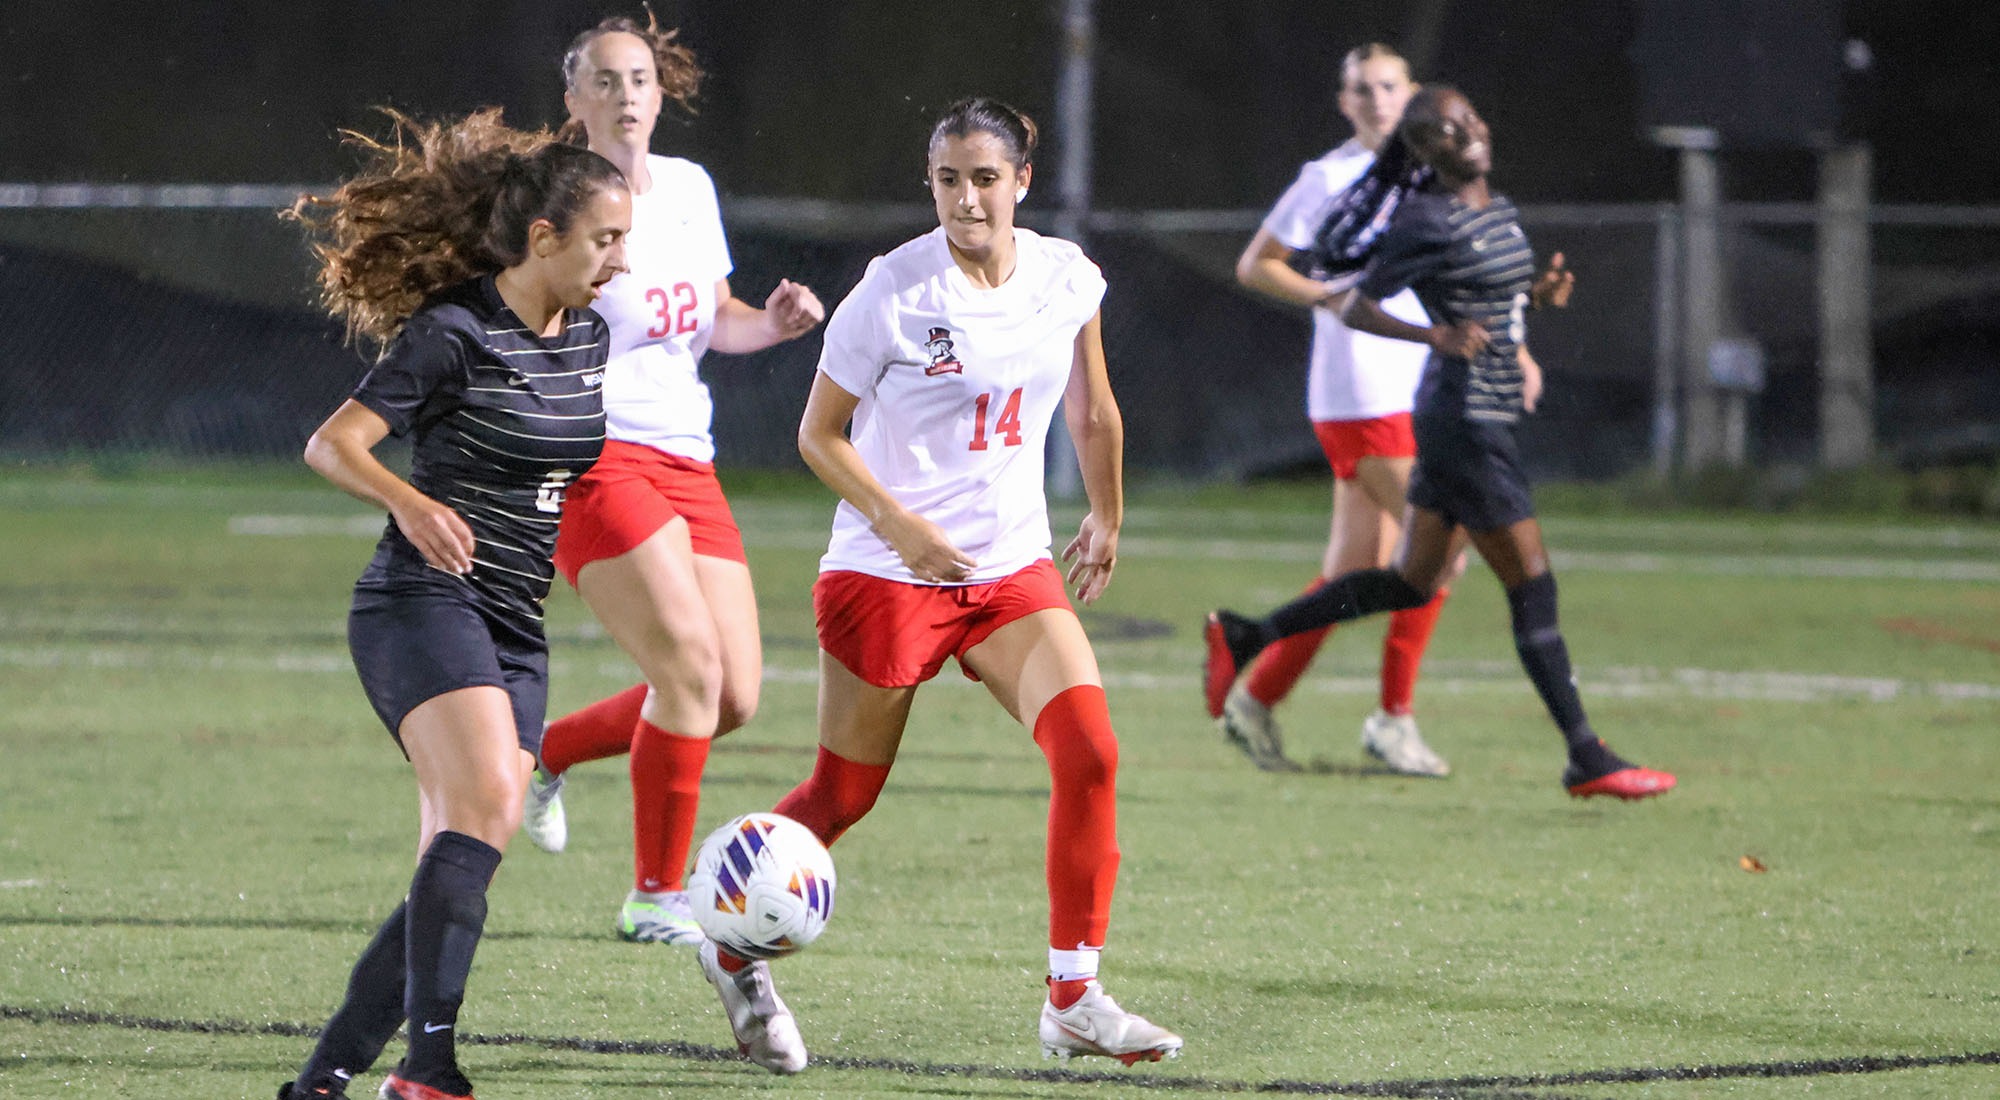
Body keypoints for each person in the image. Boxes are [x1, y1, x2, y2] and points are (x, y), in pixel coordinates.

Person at [693, 96, 1183, 1074]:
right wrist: (901, 526)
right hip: (885, 572)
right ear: (930, 186)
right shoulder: (892, 292)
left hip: (1007, 569)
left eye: (985, 178)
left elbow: (1092, 410)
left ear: (1021, 182)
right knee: (845, 791)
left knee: (1088, 749)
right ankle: (729, 942)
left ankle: (1073, 996)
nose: (966, 197)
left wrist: (1107, 512)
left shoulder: (1063, 277)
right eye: (948, 179)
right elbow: (816, 436)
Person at [276, 109, 630, 1100]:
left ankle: (323, 1075)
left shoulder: (592, 335)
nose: (618, 260)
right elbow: (331, 443)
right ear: (543, 238)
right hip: (421, 601)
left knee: (467, 843)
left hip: (517, 621)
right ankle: (430, 1069)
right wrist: (411, 499)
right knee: (479, 804)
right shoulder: (454, 332)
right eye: (604, 240)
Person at [1205, 85, 1677, 802]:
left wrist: (1539, 297)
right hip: (1465, 426)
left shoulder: (1496, 206)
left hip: (1477, 417)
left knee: (1409, 582)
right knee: (1533, 586)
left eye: (1470, 119)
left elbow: (1493, 294)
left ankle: (1246, 635)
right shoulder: (1424, 219)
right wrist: (1432, 335)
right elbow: (1355, 301)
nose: (1468, 133)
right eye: (1447, 131)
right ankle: (1586, 754)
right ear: (1423, 150)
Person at [516, 12, 825, 948]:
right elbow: (519, 319)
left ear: (662, 92)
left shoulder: (689, 188)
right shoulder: (555, 202)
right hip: (597, 456)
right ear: (573, 101)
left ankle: (548, 752)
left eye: (640, 79)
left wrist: (770, 323)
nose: (625, 97)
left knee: (730, 697)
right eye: (603, 81)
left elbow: (713, 317)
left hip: (689, 457)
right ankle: (655, 898)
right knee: (686, 673)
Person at [1222, 42, 1454, 776]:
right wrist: (1330, 296)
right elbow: (1257, 262)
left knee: (1355, 567)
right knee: (1439, 548)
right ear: (1343, 101)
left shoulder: (1430, 173)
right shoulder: (1328, 178)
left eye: (1389, 86)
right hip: (1361, 388)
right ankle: (1393, 720)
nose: (1377, 99)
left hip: (1412, 380)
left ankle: (1255, 697)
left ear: (1411, 92)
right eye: (1361, 89)